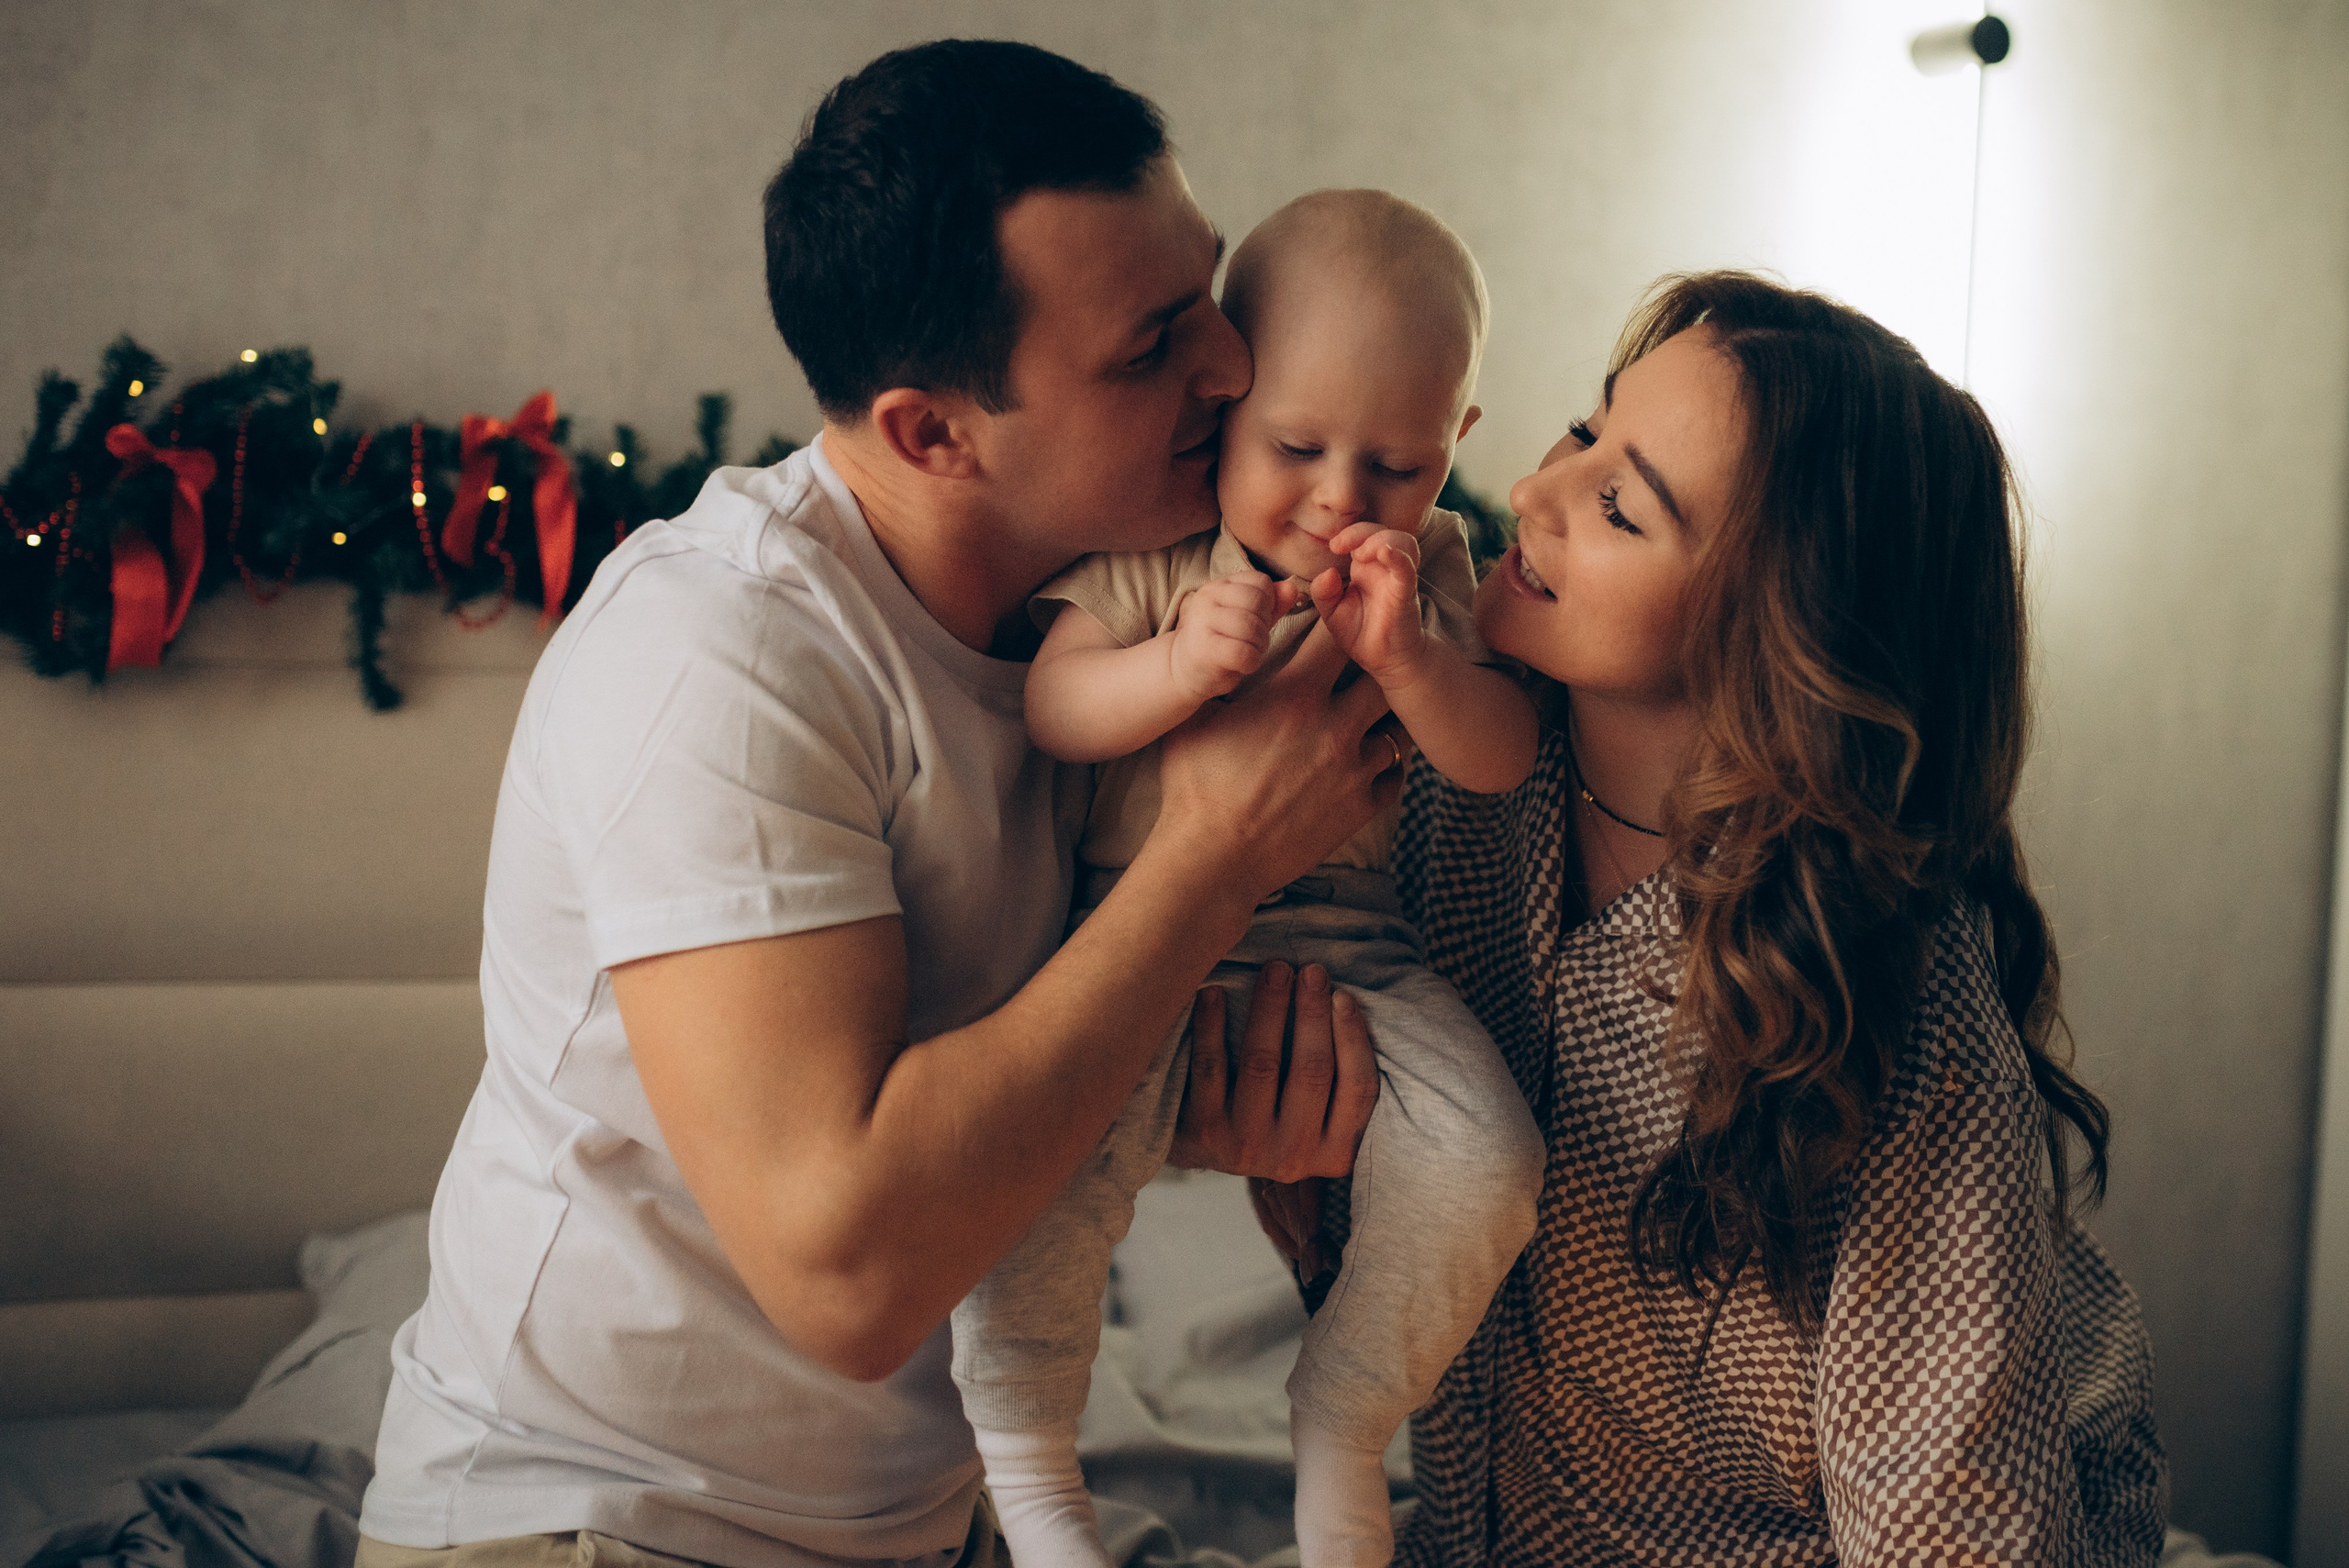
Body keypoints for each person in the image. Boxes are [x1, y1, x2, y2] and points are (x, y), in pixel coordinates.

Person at [356, 41, 1388, 1568]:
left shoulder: (1135, 620)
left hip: (921, 1526)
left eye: (1211, 290)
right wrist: (1217, 857)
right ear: (932, 432)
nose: (1234, 365)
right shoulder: (720, 650)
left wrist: (1227, 1114)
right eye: (1151, 346)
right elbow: (843, 1272)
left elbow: (1020, 1087)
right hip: (597, 1524)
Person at [1250, 271, 2169, 1564]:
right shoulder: (1443, 783)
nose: (1536, 490)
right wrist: (1296, 1171)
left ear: (1779, 628)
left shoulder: (1895, 1003)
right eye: (1587, 429)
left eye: (1620, 506)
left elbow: (1957, 1536)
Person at [951, 189, 1544, 1568]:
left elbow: (1500, 755)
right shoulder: (1160, 547)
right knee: (1038, 1172)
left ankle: (1346, 1414)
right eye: (1295, 447)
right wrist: (1175, 666)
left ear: (1455, 441)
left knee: (1490, 1160)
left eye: (1395, 464)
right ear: (1224, 402)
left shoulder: (1433, 566)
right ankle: (1031, 1462)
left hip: (1353, 951)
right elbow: (1056, 707)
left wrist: (1415, 663)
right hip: (1132, 942)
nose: (1340, 499)